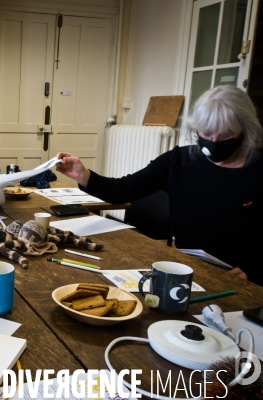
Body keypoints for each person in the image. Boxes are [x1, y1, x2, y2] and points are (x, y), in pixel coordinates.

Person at [55, 85, 263, 286]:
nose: (214, 141)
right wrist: (84, 175)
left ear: (244, 129)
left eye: (225, 134)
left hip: (241, 278)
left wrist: (254, 269)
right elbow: (123, 189)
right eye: (207, 132)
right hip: (188, 270)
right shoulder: (179, 161)